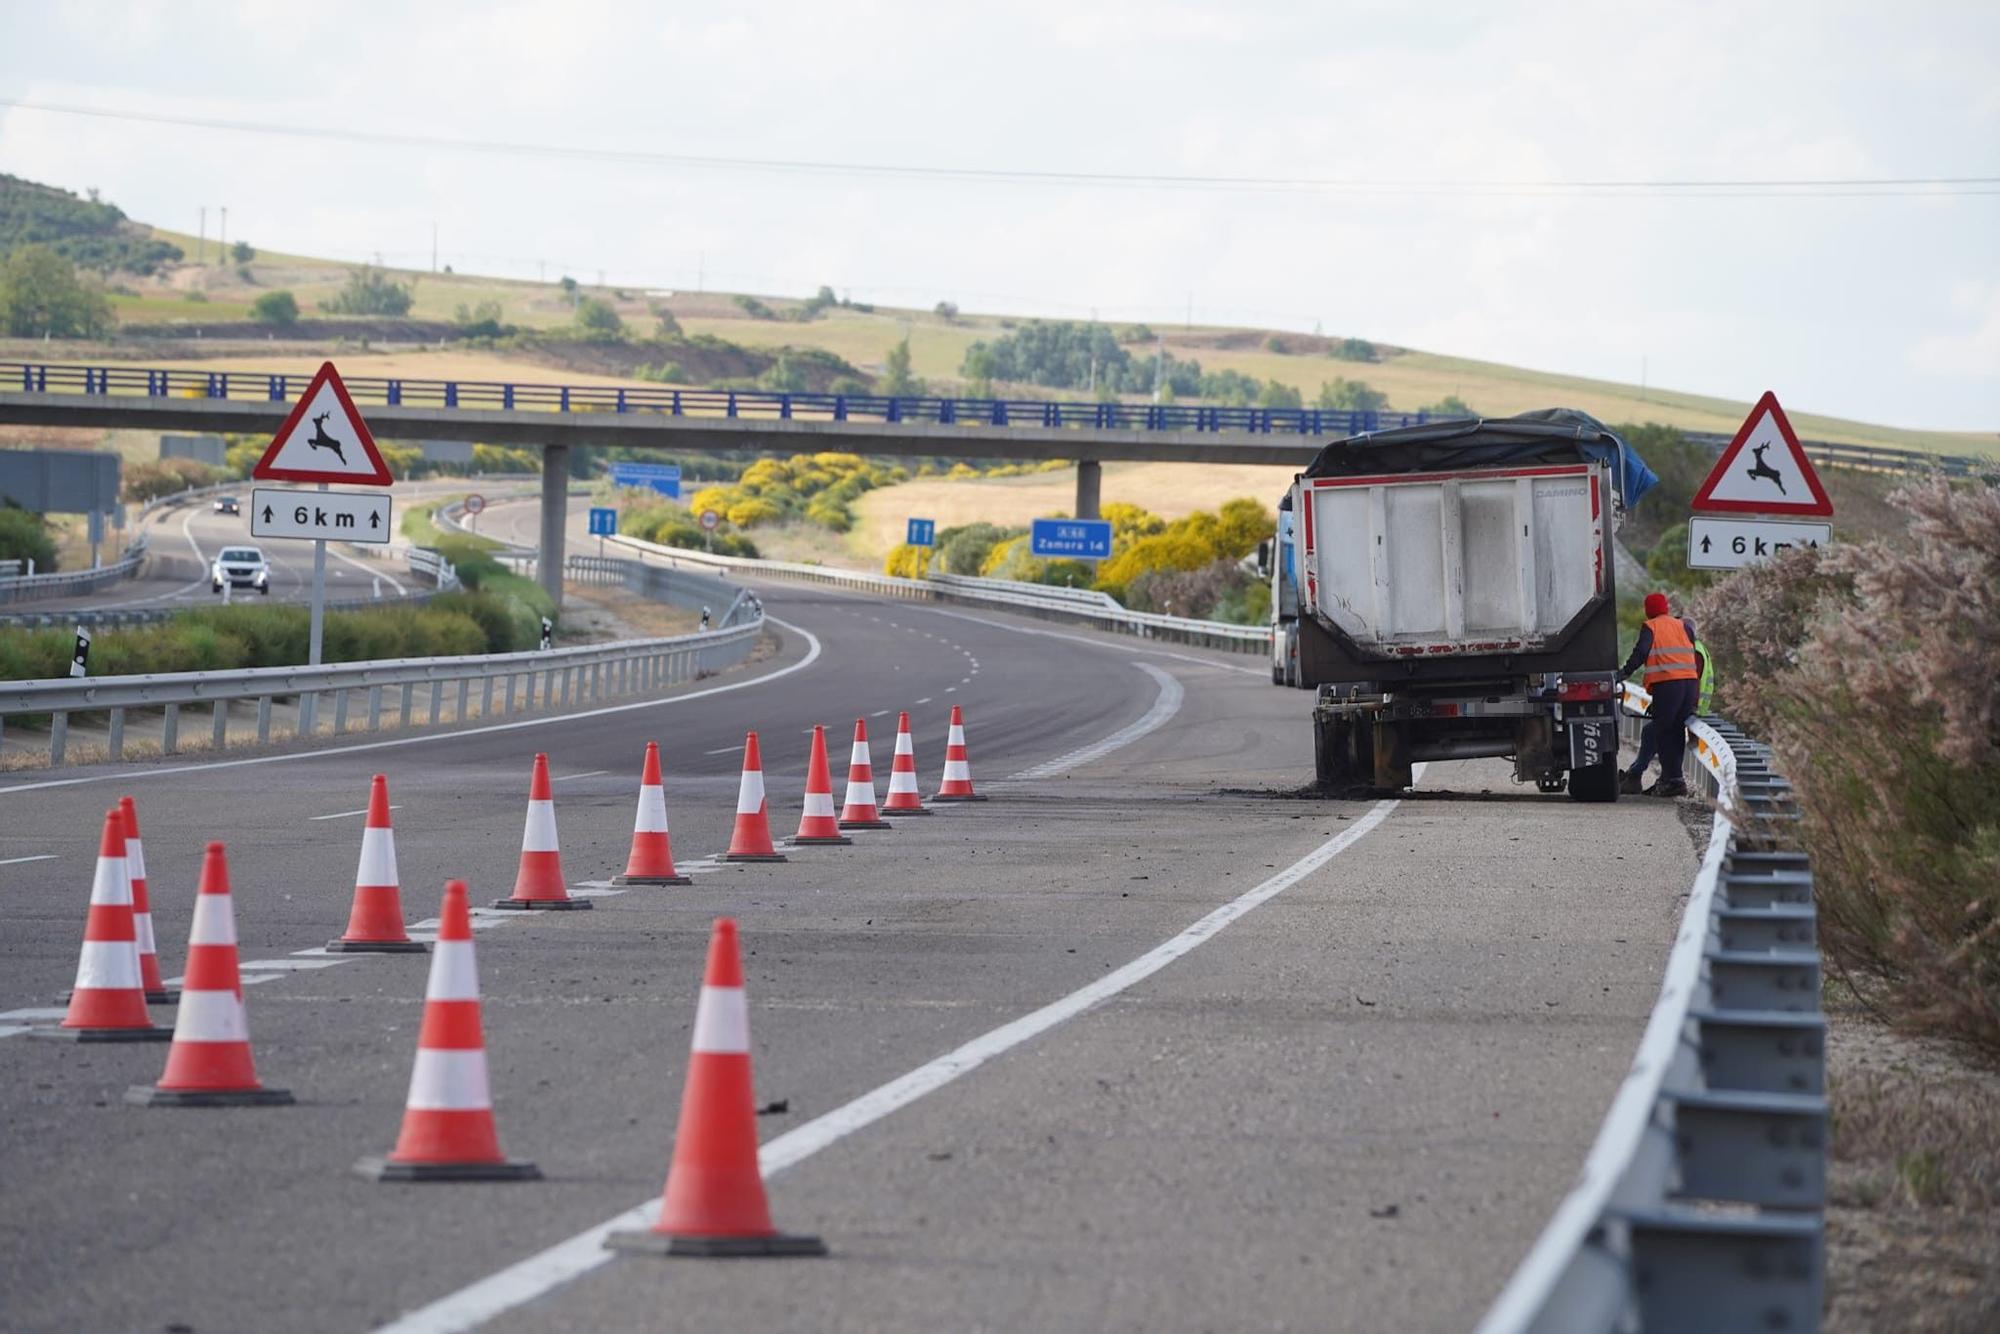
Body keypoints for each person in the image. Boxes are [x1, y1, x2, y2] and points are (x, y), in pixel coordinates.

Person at [1618, 591, 1704, 797]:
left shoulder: (1651, 626)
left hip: (1668, 685)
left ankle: (1671, 781)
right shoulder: (1683, 625)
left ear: (1649, 610)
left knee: (1663, 732)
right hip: (1690, 685)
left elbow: (1641, 652)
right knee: (1675, 730)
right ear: (1665, 607)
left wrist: (1623, 673)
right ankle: (1675, 780)